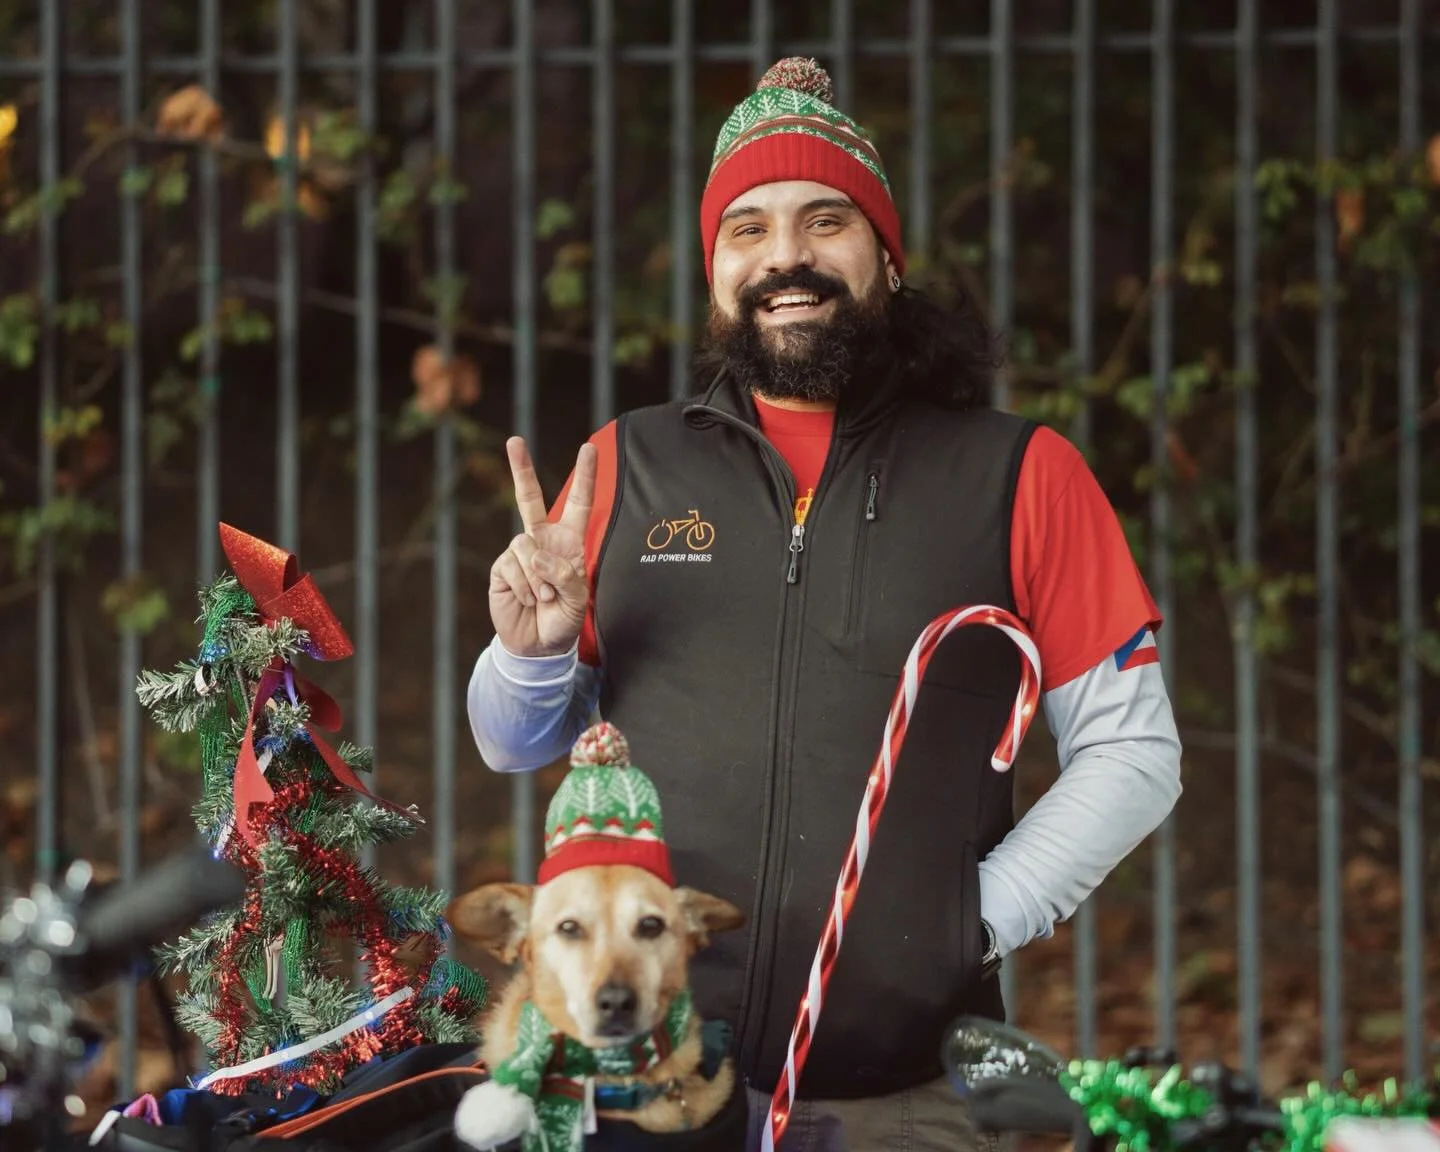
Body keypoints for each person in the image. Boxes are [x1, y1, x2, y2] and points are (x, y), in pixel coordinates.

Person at [466, 56, 1182, 1152]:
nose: (785, 257)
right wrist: (533, 654)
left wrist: (969, 921)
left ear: (886, 254)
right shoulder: (624, 465)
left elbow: (1136, 755)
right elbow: (515, 745)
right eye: (746, 228)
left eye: (824, 220)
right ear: (715, 267)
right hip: (644, 1094)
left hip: (902, 1098)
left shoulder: (1019, 473)